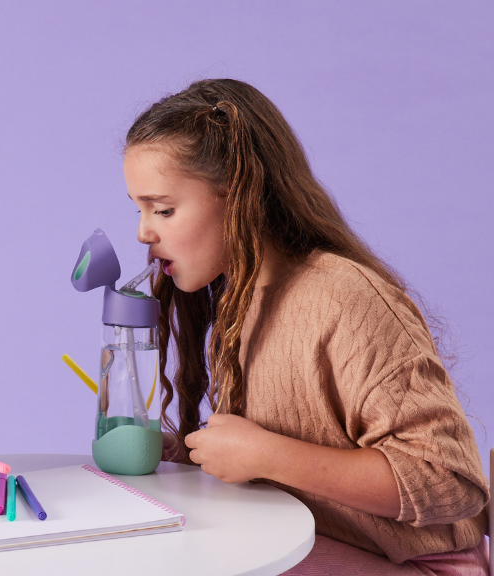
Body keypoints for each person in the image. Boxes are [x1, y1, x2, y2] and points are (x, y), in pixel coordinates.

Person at [123, 79, 488, 574]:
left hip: (424, 566)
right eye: (140, 209)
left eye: (163, 209)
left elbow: (450, 481)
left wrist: (268, 455)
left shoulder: (344, 298)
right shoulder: (241, 301)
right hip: (316, 545)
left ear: (239, 199)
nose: (144, 232)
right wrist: (194, 452)